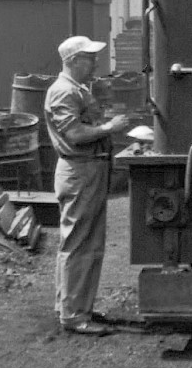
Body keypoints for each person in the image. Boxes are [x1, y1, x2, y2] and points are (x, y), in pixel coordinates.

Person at [44, 36, 131, 336]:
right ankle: (74, 315)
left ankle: (75, 307)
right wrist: (110, 128)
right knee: (80, 244)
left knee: (84, 242)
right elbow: (75, 135)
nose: (95, 62)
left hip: (89, 170)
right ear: (72, 60)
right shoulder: (63, 92)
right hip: (80, 171)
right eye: (89, 57)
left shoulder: (77, 89)